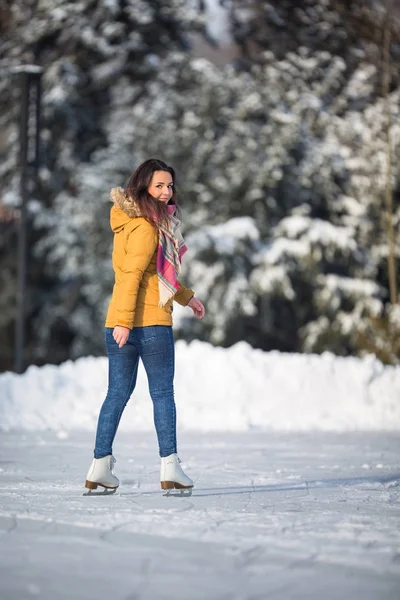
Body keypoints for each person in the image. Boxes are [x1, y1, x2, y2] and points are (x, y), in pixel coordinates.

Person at [85, 159, 205, 494]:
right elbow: (133, 277)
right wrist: (126, 322)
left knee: (117, 394)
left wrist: (187, 298)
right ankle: (170, 467)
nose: (167, 193)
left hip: (119, 323)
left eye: (170, 186)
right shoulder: (148, 227)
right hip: (148, 324)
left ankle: (100, 467)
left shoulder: (128, 222)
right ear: (143, 188)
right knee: (162, 394)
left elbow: (154, 276)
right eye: (159, 186)